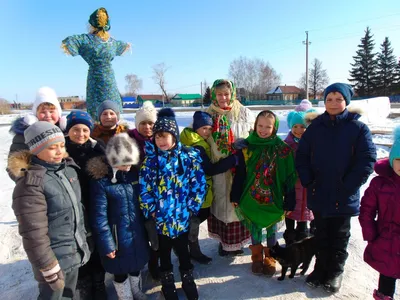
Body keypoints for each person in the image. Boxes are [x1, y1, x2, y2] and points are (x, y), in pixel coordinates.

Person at [296, 83, 376, 293]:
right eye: (329, 99)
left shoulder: (358, 128)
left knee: (339, 236)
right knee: (321, 233)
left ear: (346, 102)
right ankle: (320, 268)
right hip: (319, 190)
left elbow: (367, 159)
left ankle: (335, 271)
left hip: (343, 193)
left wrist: (349, 185)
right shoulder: (315, 128)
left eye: (338, 99)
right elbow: (302, 156)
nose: (333, 103)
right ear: (324, 102)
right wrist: (308, 180)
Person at [9, 122, 90, 299]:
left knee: (69, 293)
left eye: (62, 145)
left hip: (73, 253)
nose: (60, 151)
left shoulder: (69, 170)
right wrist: (47, 265)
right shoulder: (31, 185)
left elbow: (77, 212)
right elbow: (33, 233)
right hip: (53, 261)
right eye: (52, 148)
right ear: (36, 150)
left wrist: (83, 243)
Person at [139, 108, 206, 300]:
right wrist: (151, 211)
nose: (161, 141)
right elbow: (145, 189)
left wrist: (192, 207)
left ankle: (187, 279)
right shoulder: (150, 163)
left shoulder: (188, 158)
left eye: (165, 136)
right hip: (161, 220)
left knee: (184, 252)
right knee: (164, 253)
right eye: (157, 137)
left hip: (182, 218)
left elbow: (198, 184)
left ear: (174, 136)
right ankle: (167, 281)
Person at [231, 110, 297, 276]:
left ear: (274, 128)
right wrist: (235, 195)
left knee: (272, 228)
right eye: (260, 125)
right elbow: (240, 174)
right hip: (250, 197)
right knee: (255, 229)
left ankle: (270, 257)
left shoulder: (282, 150)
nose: (263, 129)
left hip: (273, 199)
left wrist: (290, 200)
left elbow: (289, 177)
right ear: (255, 125)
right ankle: (256, 257)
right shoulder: (247, 147)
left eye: (268, 126)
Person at [89, 133, 149, 300]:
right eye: (125, 162)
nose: (129, 166)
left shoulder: (133, 175)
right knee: (120, 270)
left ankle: (136, 291)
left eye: (131, 161)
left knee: (136, 265)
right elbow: (99, 217)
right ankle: (126, 297)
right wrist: (107, 244)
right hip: (116, 237)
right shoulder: (101, 182)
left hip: (136, 232)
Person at [180, 111, 238, 264]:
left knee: (196, 218)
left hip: (193, 188)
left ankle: (190, 248)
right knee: (196, 219)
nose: (208, 132)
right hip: (196, 190)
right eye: (204, 128)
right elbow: (209, 169)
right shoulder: (197, 145)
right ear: (196, 128)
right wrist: (233, 159)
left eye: (210, 128)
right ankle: (192, 251)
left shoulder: (189, 138)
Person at [206, 79, 254, 256]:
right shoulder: (208, 114)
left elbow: (255, 134)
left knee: (237, 203)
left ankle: (237, 243)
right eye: (219, 94)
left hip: (240, 166)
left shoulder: (243, 113)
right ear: (214, 95)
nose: (223, 98)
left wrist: (246, 145)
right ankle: (224, 242)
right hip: (218, 168)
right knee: (221, 203)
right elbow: (197, 136)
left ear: (232, 93)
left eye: (226, 93)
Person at [64, 111, 107, 299]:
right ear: (68, 130)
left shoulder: (98, 149)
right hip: (71, 208)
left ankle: (99, 284)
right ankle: (84, 285)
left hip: (94, 204)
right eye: (75, 129)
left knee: (96, 247)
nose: (80, 134)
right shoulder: (61, 151)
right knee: (78, 247)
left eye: (84, 129)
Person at [61, 7, 130, 120]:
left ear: (91, 24)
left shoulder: (86, 40)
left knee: (95, 109)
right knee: (111, 106)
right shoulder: (113, 43)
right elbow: (124, 45)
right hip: (109, 78)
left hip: (94, 78)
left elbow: (69, 42)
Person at [359, 126, 400, 300]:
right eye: (399, 159)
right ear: (392, 159)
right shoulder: (379, 183)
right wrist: (371, 233)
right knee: (387, 276)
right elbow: (367, 210)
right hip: (386, 240)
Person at [7, 87, 63, 180]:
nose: (48, 115)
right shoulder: (24, 136)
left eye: (52, 111)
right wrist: (33, 184)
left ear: (59, 113)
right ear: (35, 115)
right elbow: (15, 168)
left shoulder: (67, 133)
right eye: (42, 112)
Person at [283, 100, 314, 245]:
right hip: (291, 184)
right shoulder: (286, 144)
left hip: (307, 184)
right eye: (295, 126)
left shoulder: (312, 144)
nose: (299, 130)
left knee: (304, 209)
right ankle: (289, 234)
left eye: (303, 127)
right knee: (290, 210)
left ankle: (302, 233)